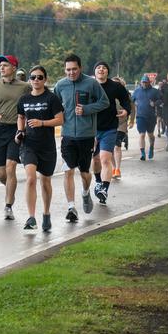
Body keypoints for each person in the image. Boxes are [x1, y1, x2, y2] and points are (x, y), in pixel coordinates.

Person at [54, 54, 108, 222]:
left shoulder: (91, 83)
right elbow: (54, 105)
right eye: (68, 70)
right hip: (68, 135)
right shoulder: (60, 85)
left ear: (81, 68)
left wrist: (87, 109)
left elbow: (104, 102)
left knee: (85, 173)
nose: (71, 72)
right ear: (65, 70)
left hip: (86, 136)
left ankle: (85, 193)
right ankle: (71, 207)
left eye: (74, 69)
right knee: (68, 170)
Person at [0, 55, 31, 220]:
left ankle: (8, 205)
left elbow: (36, 98)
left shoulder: (24, 87)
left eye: (5, 65)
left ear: (14, 68)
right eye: (1, 65)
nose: (2, 68)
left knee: (11, 167)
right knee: (2, 174)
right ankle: (11, 188)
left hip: (16, 130)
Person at [15, 66, 63, 231]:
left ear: (45, 80)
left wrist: (42, 123)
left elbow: (60, 120)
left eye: (40, 77)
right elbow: (20, 117)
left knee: (45, 182)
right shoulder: (23, 99)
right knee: (30, 179)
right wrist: (20, 131)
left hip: (47, 146)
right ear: (29, 80)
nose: (36, 80)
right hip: (29, 145)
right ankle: (31, 217)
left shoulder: (52, 98)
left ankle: (46, 213)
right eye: (33, 77)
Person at [90, 61, 131, 205]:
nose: (101, 69)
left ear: (107, 72)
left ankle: (104, 190)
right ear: (94, 72)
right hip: (91, 129)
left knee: (105, 159)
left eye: (104, 68)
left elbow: (126, 99)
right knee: (95, 160)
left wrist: (126, 111)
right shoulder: (89, 85)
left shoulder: (115, 86)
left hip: (109, 128)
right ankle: (98, 182)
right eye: (98, 67)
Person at [131, 75, 163, 161]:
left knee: (150, 135)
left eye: (146, 82)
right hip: (140, 116)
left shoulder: (154, 91)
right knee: (142, 134)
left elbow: (161, 100)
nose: (144, 84)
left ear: (149, 82)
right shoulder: (137, 91)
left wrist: (155, 103)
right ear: (141, 82)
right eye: (143, 82)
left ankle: (151, 147)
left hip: (151, 117)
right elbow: (131, 101)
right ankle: (142, 154)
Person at [111, 75, 131, 179]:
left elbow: (132, 107)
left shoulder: (125, 95)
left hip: (121, 124)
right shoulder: (107, 93)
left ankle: (118, 169)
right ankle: (113, 168)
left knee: (116, 146)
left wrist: (131, 121)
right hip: (109, 123)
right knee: (109, 149)